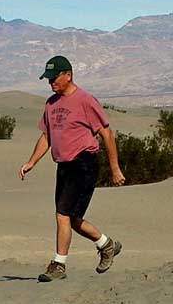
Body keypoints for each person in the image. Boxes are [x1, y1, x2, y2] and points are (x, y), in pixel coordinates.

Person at [19, 55, 126, 282]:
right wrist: (31, 162)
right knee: (72, 219)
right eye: (48, 79)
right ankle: (107, 245)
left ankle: (59, 265)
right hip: (64, 166)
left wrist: (115, 168)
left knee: (63, 215)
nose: (51, 83)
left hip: (84, 163)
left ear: (68, 75)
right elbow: (46, 136)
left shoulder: (85, 100)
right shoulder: (50, 103)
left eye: (54, 77)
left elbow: (106, 133)